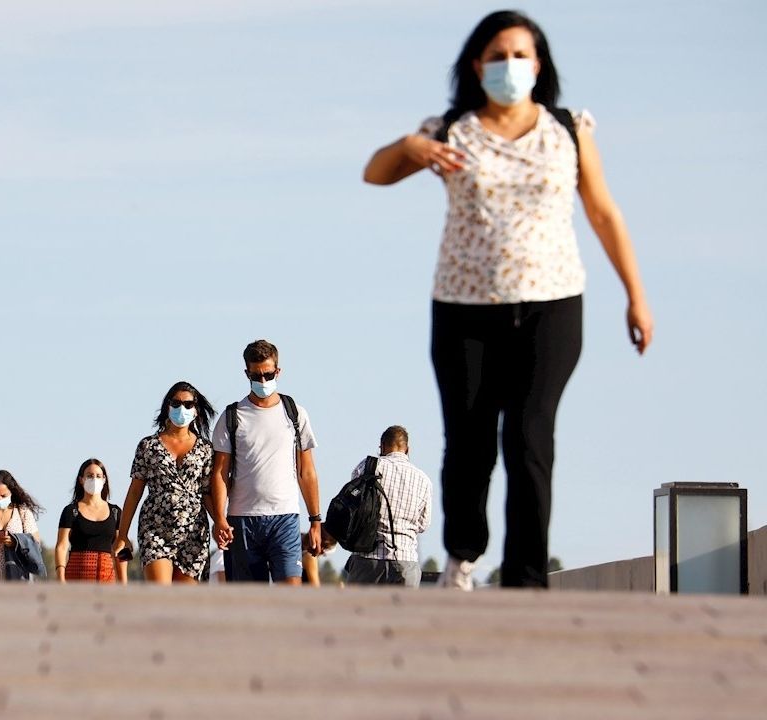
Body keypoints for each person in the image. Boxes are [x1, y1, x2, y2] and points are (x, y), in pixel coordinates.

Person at [363, 10, 653, 589]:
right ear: (477, 65)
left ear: (539, 64)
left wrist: (635, 296)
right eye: (498, 55)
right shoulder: (449, 130)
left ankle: (525, 576)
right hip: (464, 308)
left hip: (552, 303)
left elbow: (602, 212)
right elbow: (375, 174)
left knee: (529, 435)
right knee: (469, 439)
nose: (510, 66)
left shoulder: (568, 128)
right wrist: (410, 146)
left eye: (522, 55)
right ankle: (463, 555)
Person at [209, 339, 323, 585]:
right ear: (247, 373)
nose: (263, 381)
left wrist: (315, 521)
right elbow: (219, 474)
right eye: (256, 376)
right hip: (242, 520)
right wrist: (219, 518)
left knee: (291, 593)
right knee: (249, 604)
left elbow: (307, 472)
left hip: (285, 518)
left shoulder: (295, 413)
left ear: (278, 372)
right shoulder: (231, 416)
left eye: (268, 375)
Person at [115, 381, 215, 585]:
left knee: (186, 604)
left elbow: (207, 492)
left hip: (193, 532)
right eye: (176, 403)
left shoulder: (205, 449)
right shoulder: (148, 446)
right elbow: (134, 492)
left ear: (196, 411)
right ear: (167, 406)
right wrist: (122, 535)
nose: (182, 408)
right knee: (161, 594)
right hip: (155, 528)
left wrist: (221, 523)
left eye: (188, 404)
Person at [342, 426, 432, 587]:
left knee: (358, 611)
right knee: (403, 613)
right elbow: (423, 525)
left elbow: (351, 508)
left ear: (382, 446)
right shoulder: (423, 480)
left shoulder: (367, 467)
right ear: (407, 449)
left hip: (367, 558)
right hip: (406, 561)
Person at [55, 459, 127, 584]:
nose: (94, 479)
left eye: (98, 476)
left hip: (107, 579)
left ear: (104, 480)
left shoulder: (115, 512)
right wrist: (61, 579)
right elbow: (62, 546)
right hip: (76, 578)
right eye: (89, 476)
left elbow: (121, 548)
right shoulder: (71, 511)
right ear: (81, 480)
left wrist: (124, 583)